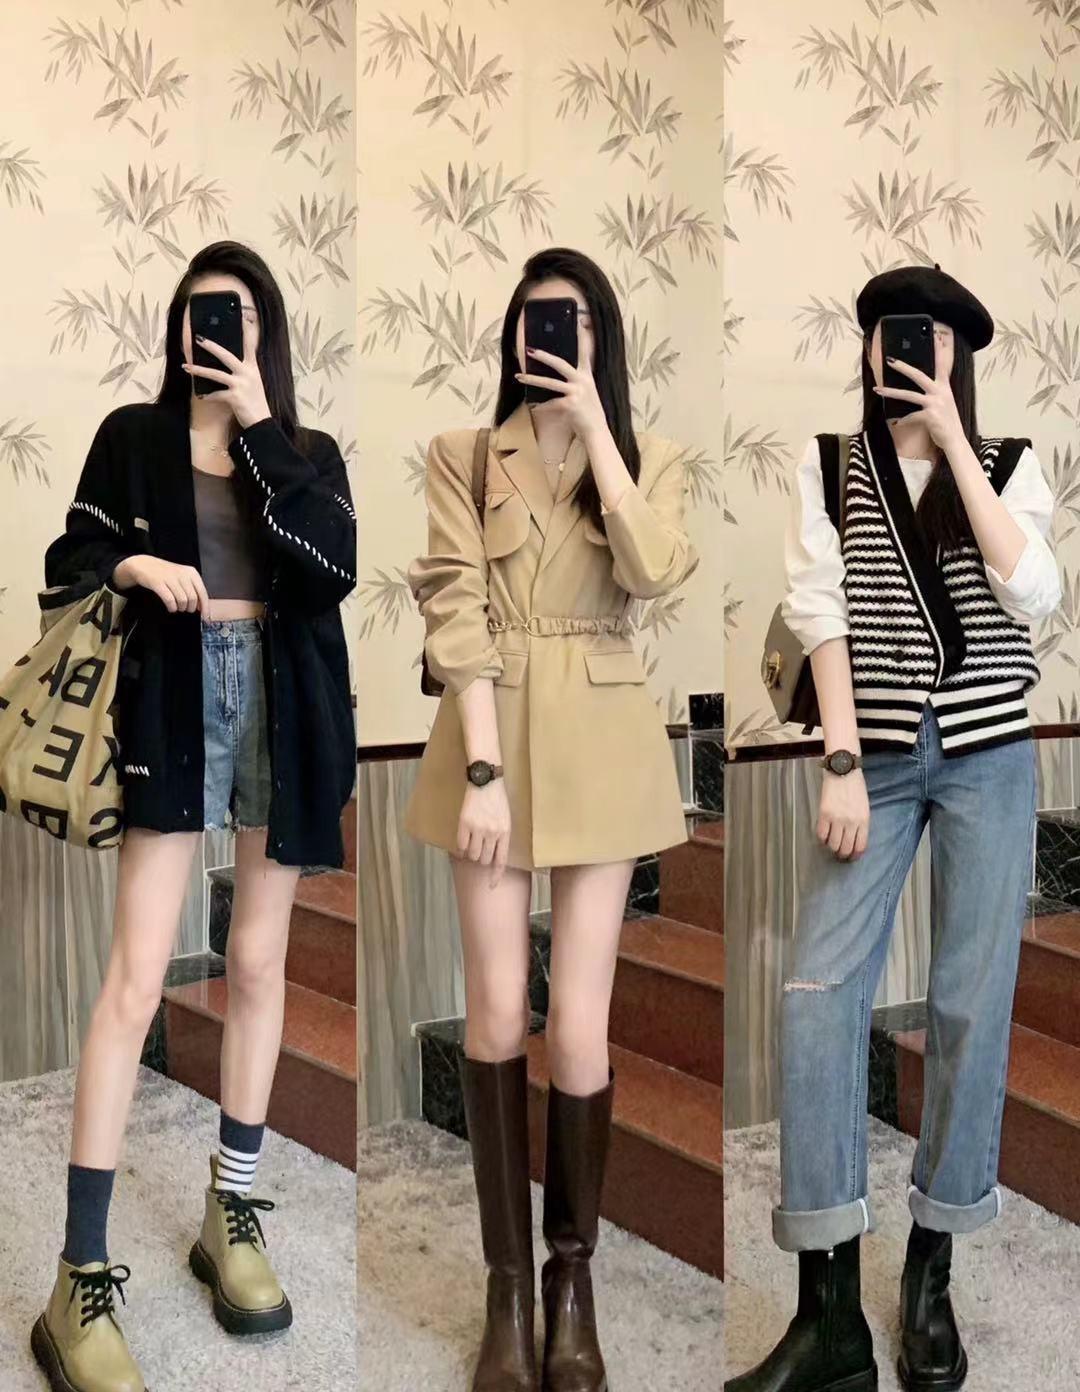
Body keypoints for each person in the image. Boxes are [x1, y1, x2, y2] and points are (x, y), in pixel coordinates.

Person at [728, 264, 1061, 1392]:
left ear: (957, 356)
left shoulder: (1009, 464)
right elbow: (820, 615)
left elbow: (1036, 593)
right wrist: (839, 762)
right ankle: (828, 1313)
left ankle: (931, 1270)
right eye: (884, 332)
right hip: (869, 756)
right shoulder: (830, 466)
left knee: (969, 1002)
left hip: (990, 757)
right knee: (817, 997)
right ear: (867, 349)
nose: (904, 349)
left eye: (926, 336)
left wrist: (955, 443)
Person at [31, 241, 356, 1392]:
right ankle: (78, 1277)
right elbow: (70, 558)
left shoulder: (305, 454)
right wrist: (133, 569)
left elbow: (328, 573)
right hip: (174, 699)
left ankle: (232, 1214)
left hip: (281, 705)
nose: (207, 332)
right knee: (135, 977)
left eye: (232, 316)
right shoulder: (134, 436)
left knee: (259, 963)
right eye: (194, 314)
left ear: (265, 333)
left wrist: (259, 425)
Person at [406, 246, 698, 1392]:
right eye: (533, 321)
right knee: (493, 1009)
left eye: (570, 323)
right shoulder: (465, 453)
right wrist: (483, 769)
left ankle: (571, 1283)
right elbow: (455, 606)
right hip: (492, 733)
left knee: (578, 1023)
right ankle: (508, 1294)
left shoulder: (652, 458)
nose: (548, 339)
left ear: (599, 339)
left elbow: (657, 572)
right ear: (511, 336)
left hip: (606, 744)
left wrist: (600, 437)